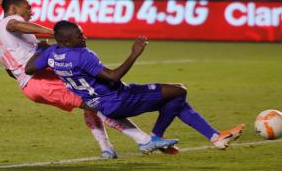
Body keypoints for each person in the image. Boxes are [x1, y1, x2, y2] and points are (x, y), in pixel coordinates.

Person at [0, 0, 178, 158]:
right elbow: (16, 24)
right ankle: (144, 140)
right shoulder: (10, 22)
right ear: (13, 8)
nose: (31, 13)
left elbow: (11, 71)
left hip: (32, 84)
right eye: (28, 8)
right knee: (98, 102)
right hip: (40, 82)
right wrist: (55, 33)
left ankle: (107, 149)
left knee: (90, 98)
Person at [25, 20, 245, 150]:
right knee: (179, 90)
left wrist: (44, 49)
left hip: (101, 103)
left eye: (82, 34)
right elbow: (112, 77)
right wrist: (134, 54)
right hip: (119, 98)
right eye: (79, 36)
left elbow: (29, 69)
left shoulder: (53, 53)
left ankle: (216, 137)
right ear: (68, 40)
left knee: (174, 97)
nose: (84, 37)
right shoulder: (83, 54)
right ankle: (157, 136)